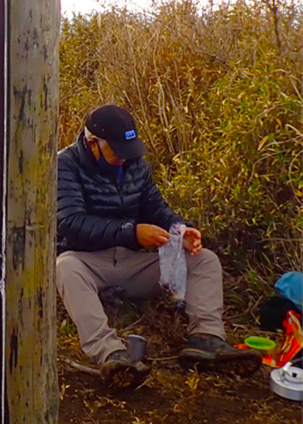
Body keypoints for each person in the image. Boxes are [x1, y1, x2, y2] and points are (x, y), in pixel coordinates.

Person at [56, 104, 260, 388]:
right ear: (93, 144)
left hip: (132, 261)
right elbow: (71, 222)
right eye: (118, 151)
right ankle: (111, 353)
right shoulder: (64, 164)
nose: (125, 159)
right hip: (88, 262)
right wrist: (132, 233)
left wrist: (181, 230)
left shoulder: (133, 163)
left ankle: (207, 340)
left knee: (205, 260)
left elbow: (157, 209)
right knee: (65, 267)